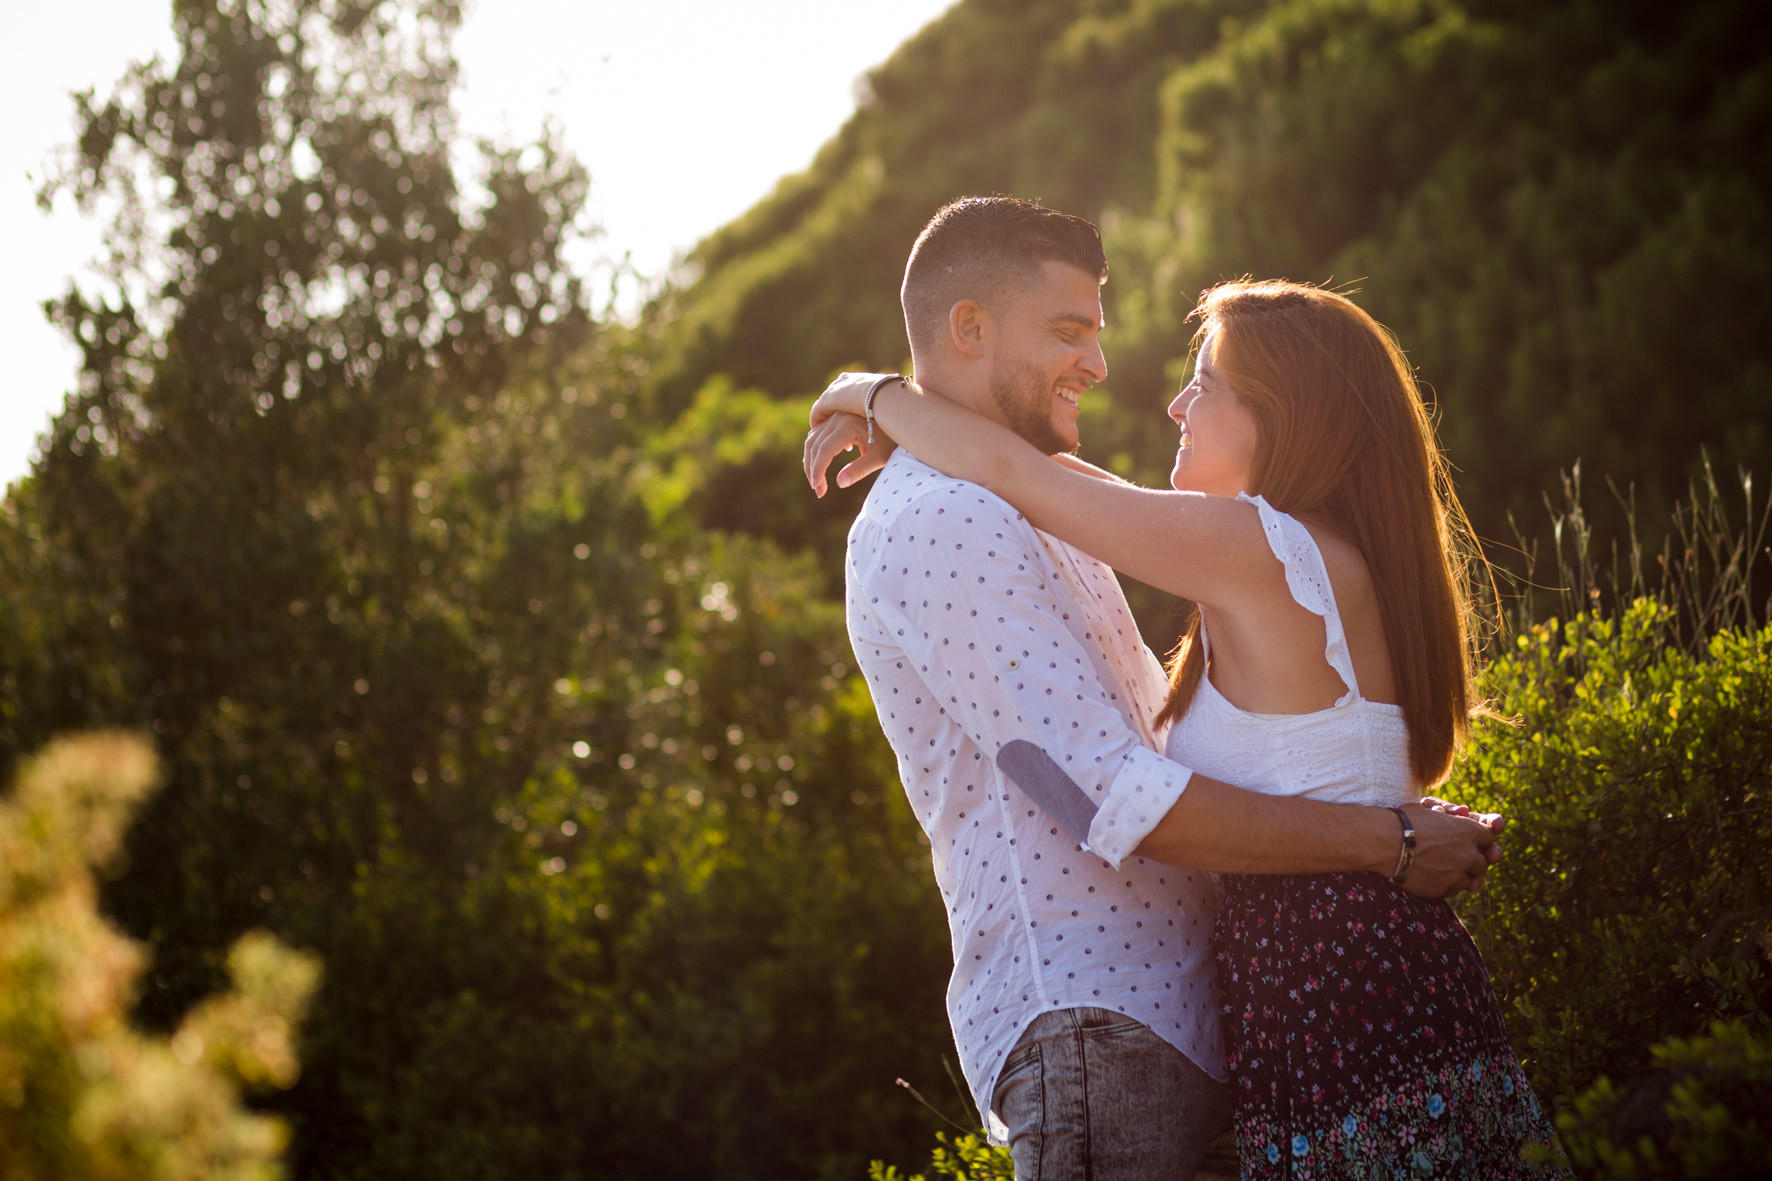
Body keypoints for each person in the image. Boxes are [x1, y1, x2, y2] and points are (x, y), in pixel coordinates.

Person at [805, 195, 1519, 1180]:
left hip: (1295, 1005)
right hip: (1134, 1014)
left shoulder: (1236, 544)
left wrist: (876, 395)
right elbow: (1108, 787)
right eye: (1068, 332)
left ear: (1285, 416)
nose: (1115, 376)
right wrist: (887, 401)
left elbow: (1033, 480)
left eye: (1203, 384)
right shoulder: (951, 520)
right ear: (967, 328)